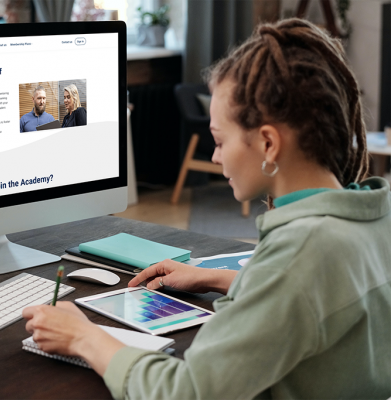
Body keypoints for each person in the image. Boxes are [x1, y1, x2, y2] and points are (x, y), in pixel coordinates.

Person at [22, 18, 391, 399]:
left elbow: (187, 392)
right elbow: (320, 294)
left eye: (219, 140)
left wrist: (85, 337)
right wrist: (217, 278)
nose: (215, 157)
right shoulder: (373, 214)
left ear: (268, 144)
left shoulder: (299, 253)